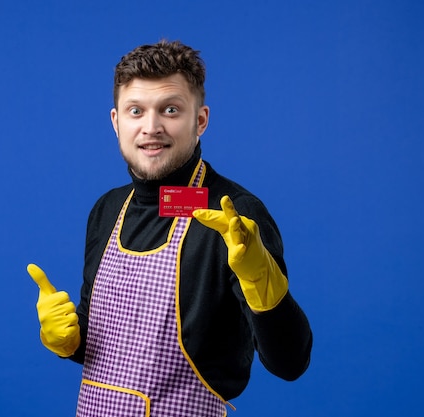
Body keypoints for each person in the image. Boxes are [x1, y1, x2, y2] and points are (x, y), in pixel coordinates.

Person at [28, 39, 312, 416]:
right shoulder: (108, 209)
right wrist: (69, 339)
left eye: (171, 110)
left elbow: (290, 364)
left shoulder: (235, 218)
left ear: (200, 120)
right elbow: (111, 353)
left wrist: (264, 285)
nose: (151, 127)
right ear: (116, 122)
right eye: (135, 111)